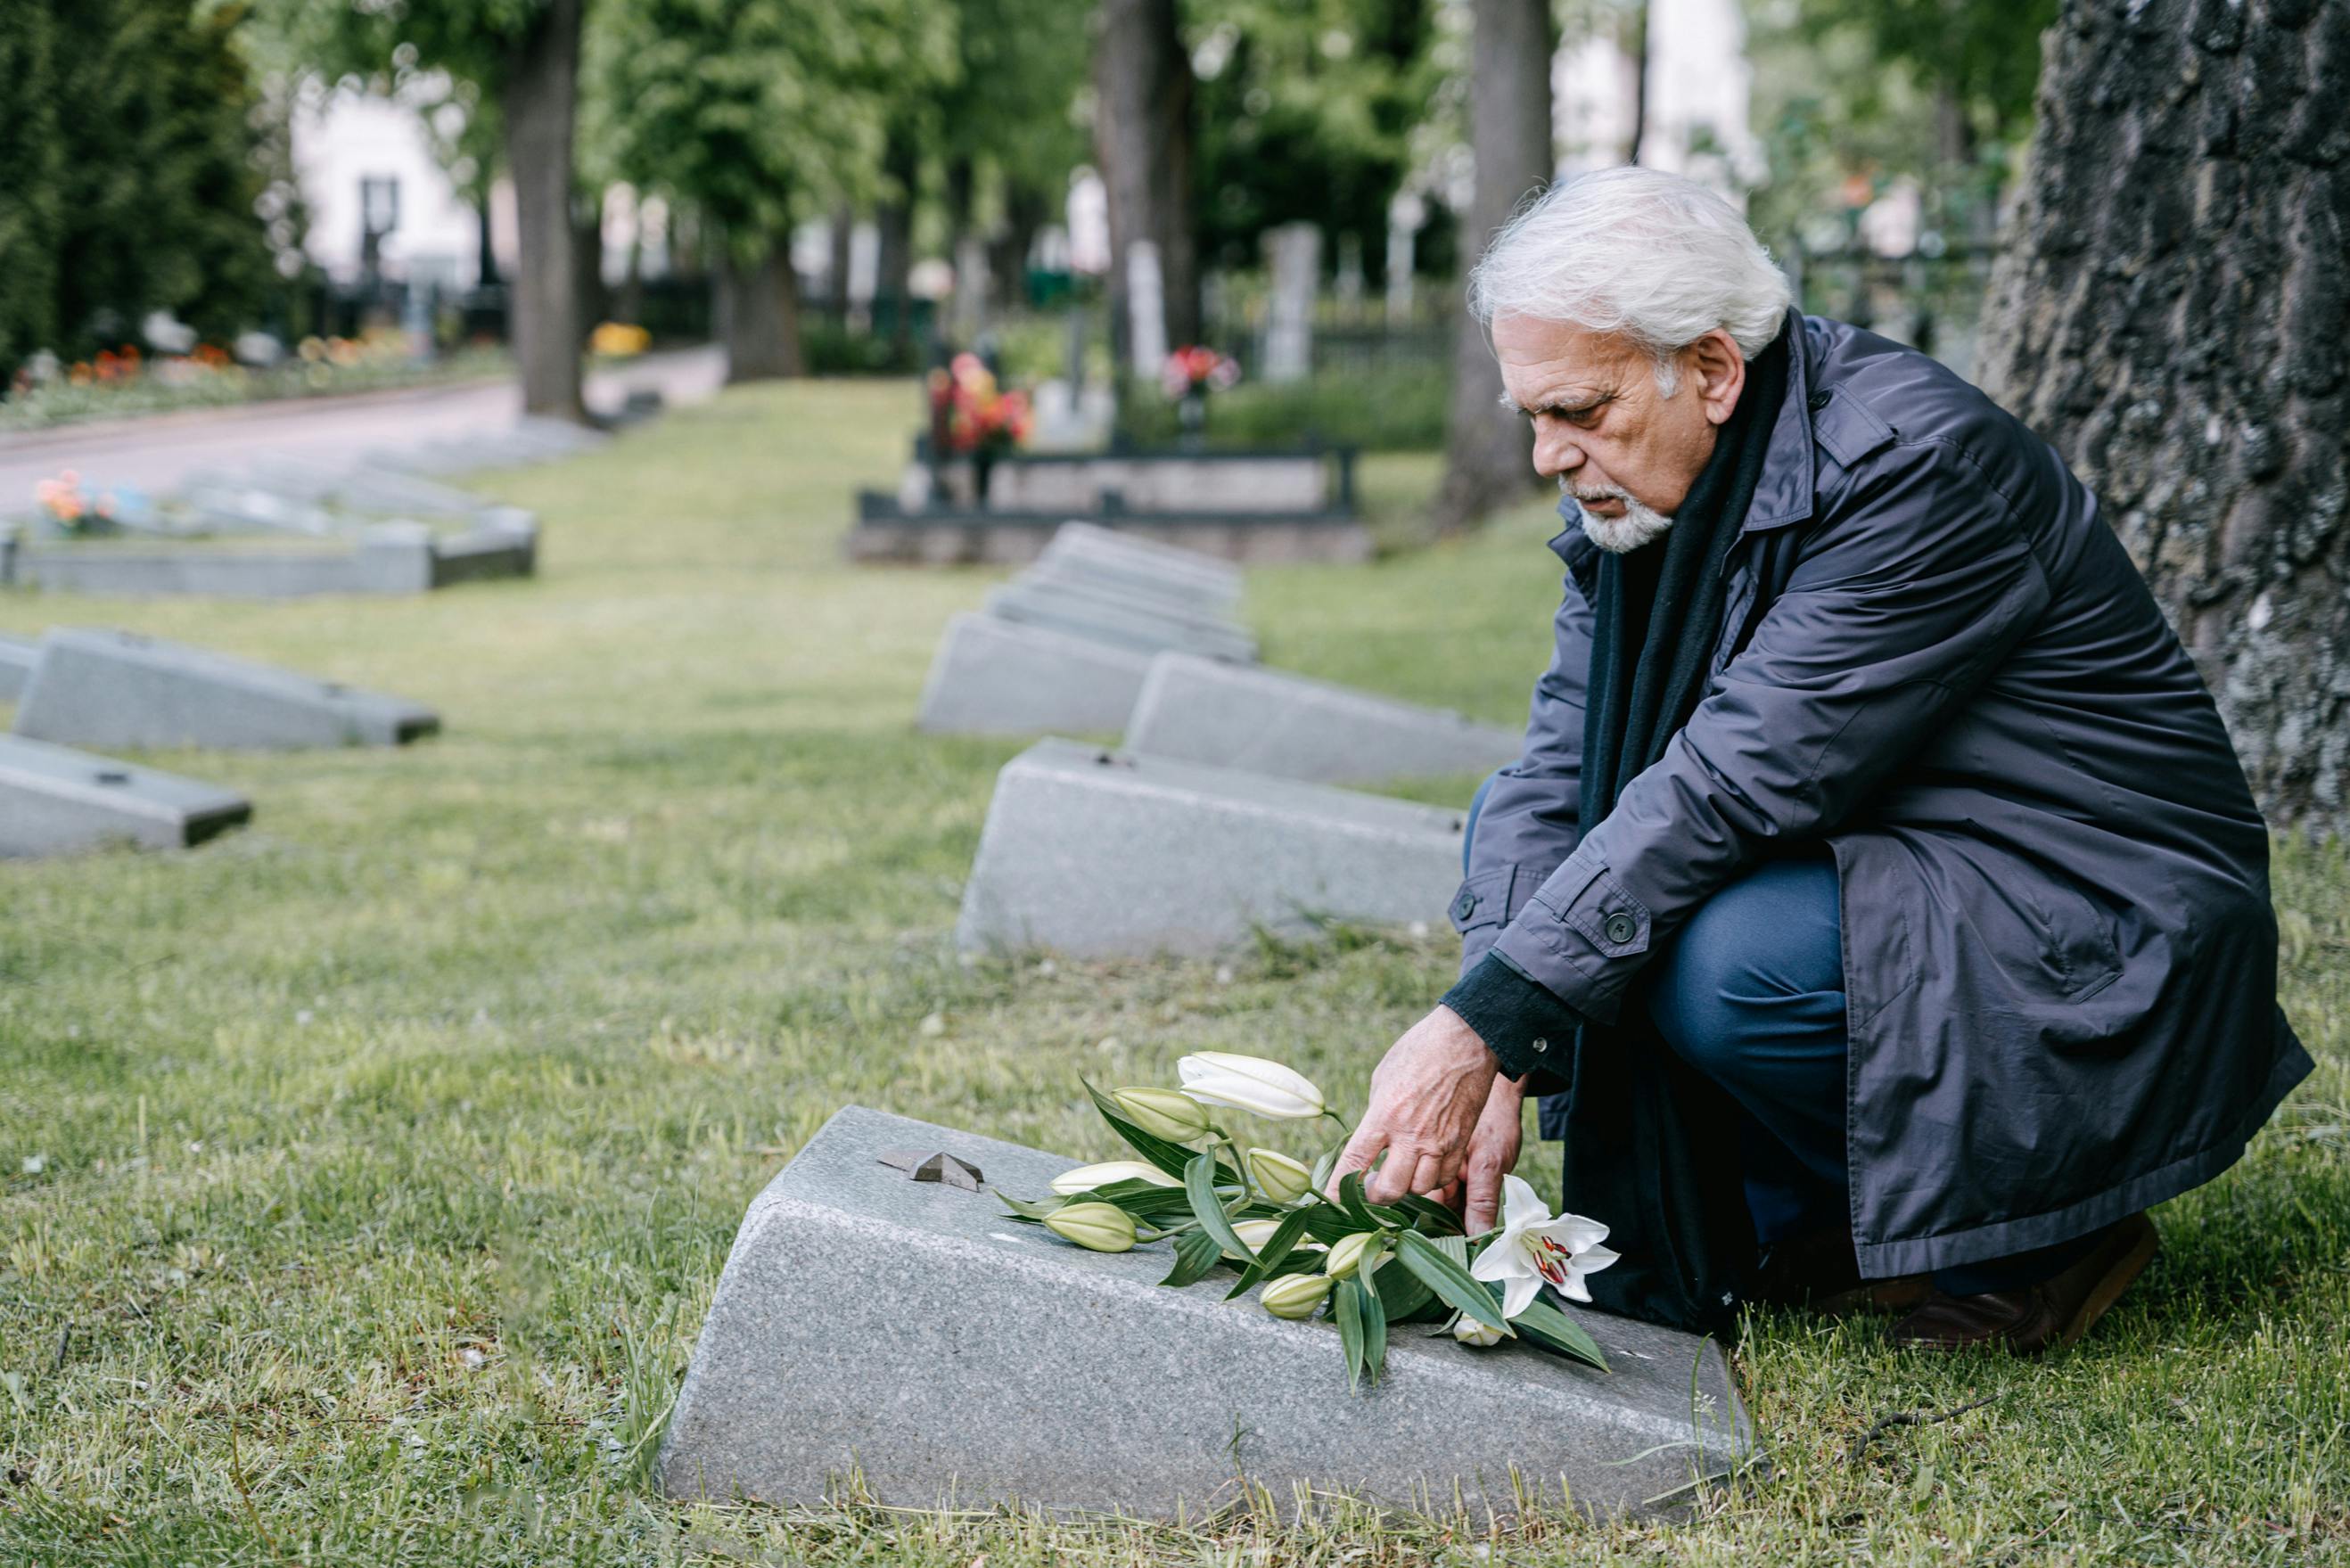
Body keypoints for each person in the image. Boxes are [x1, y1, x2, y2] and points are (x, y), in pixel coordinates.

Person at [1330, 167, 2312, 1352]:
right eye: (1531, 415)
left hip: (2102, 923)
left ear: (1710, 369)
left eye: (1578, 412)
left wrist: (1485, 1025)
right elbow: (1554, 772)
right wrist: (1499, 1026)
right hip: (1915, 866)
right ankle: (1839, 1221)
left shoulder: (1911, 468)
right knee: (1540, 844)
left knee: (1719, 965)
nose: (1547, 455)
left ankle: (2041, 1236)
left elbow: (1732, 785)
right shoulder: (1650, 494)